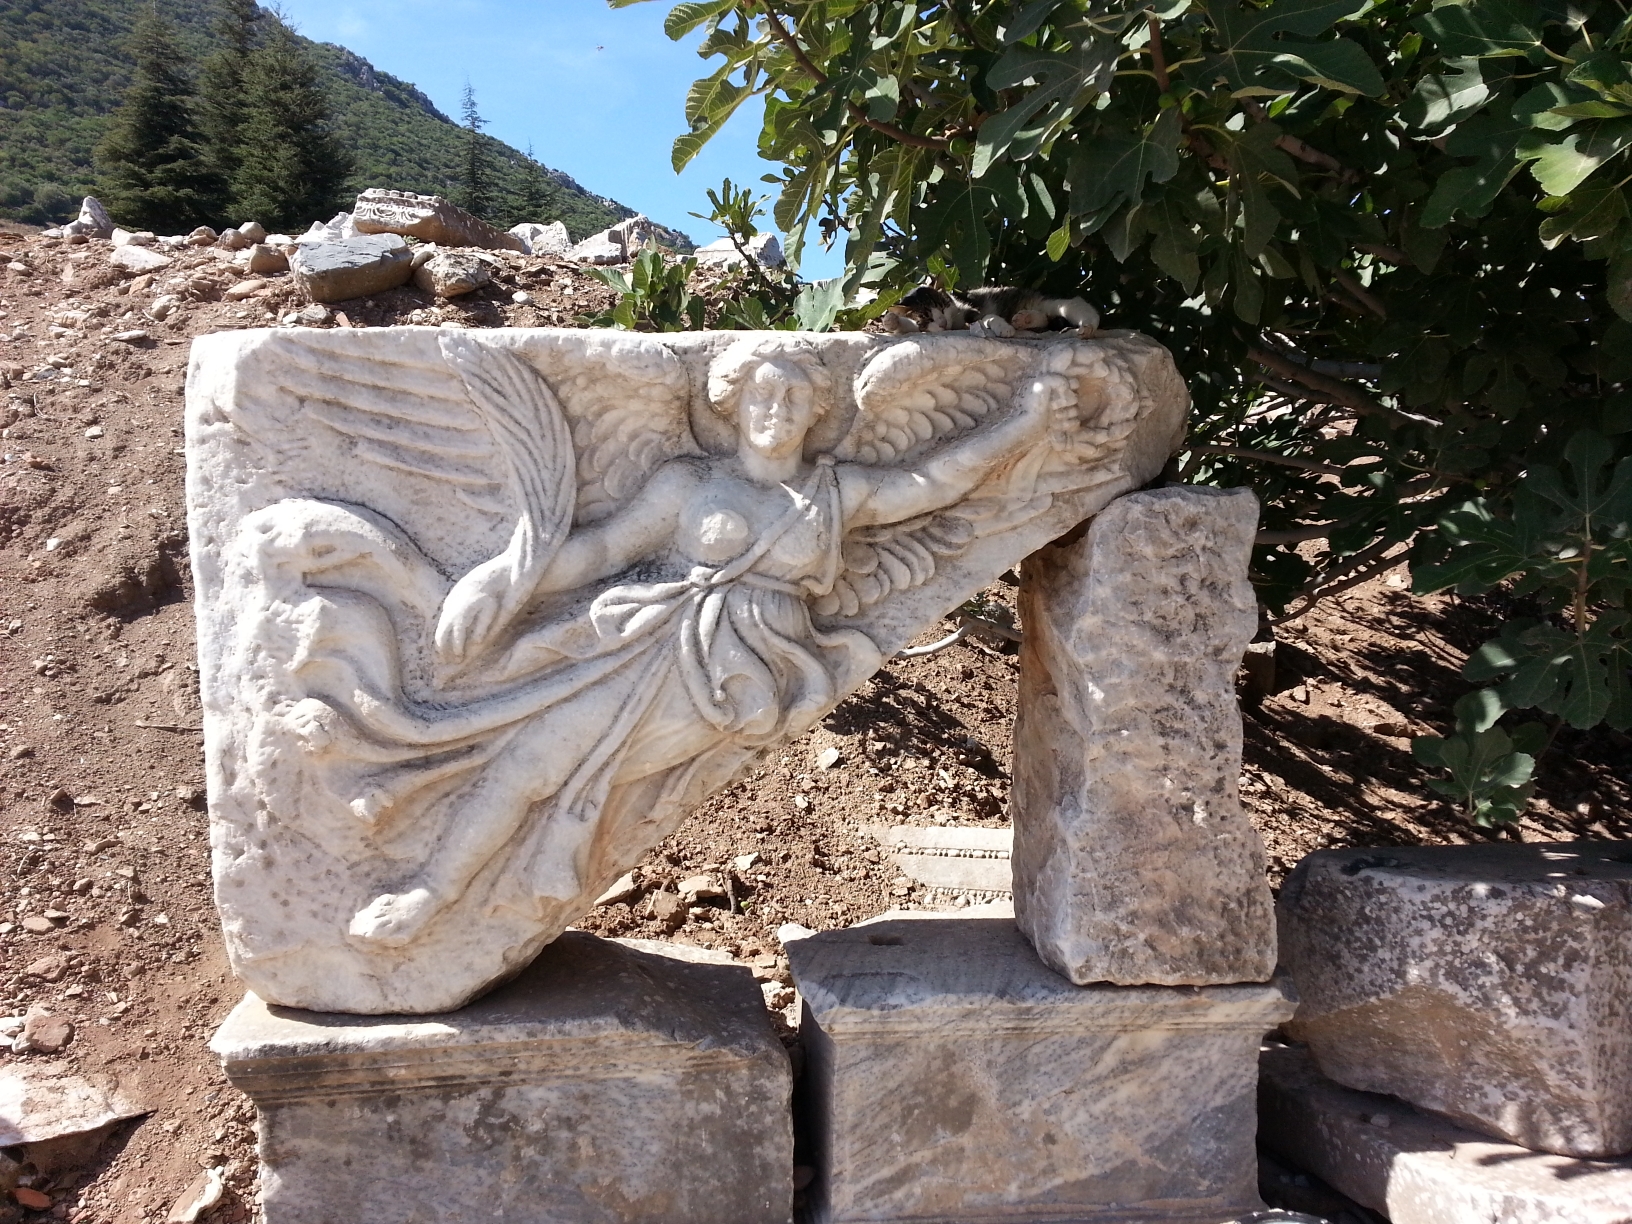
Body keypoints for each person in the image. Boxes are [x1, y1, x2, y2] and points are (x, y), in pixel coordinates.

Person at [335, 335, 1065, 946]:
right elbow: (601, 552)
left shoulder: (834, 493)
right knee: (532, 759)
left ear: (817, 410)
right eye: (760, 395)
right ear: (733, 403)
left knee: (577, 769)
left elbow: (936, 480)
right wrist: (509, 577)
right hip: (648, 639)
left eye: (792, 397)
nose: (774, 410)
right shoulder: (689, 483)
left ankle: (482, 889)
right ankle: (433, 893)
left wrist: (1027, 425)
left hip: (747, 672)